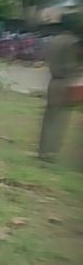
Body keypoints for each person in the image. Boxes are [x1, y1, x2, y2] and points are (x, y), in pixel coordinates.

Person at [38, 9, 83, 166]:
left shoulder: (55, 39)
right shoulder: (73, 42)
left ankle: (43, 150)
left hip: (53, 81)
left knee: (49, 119)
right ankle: (51, 152)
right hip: (67, 83)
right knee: (60, 120)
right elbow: (71, 65)